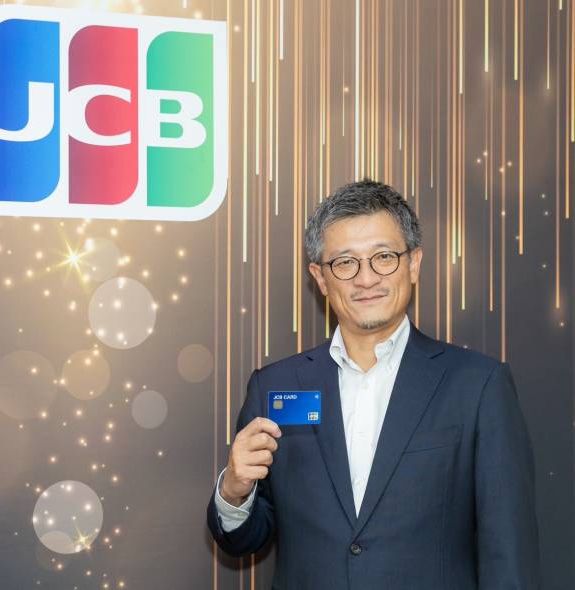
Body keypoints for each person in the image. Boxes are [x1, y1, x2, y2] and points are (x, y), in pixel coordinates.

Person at [206, 179, 540, 589]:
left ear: (413, 264)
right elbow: (246, 539)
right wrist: (234, 492)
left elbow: (508, 551)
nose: (366, 279)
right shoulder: (274, 386)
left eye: (384, 257)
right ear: (320, 278)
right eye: (345, 262)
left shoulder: (477, 385)